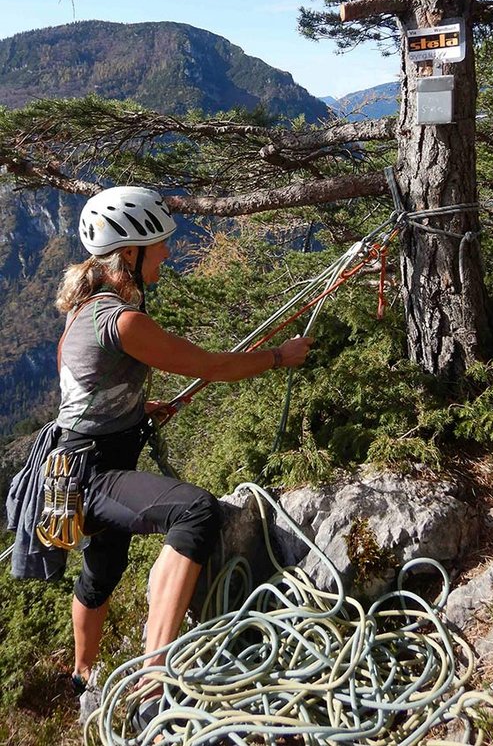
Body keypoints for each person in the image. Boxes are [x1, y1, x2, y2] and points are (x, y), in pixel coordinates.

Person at [8, 186, 313, 717]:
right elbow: (212, 366)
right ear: (130, 252)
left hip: (70, 465)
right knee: (195, 512)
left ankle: (83, 675)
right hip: (92, 471)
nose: (168, 254)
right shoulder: (124, 321)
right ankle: (154, 677)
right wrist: (279, 357)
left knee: (103, 569)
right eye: (160, 245)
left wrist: (137, 408)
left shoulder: (84, 310)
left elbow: (82, 389)